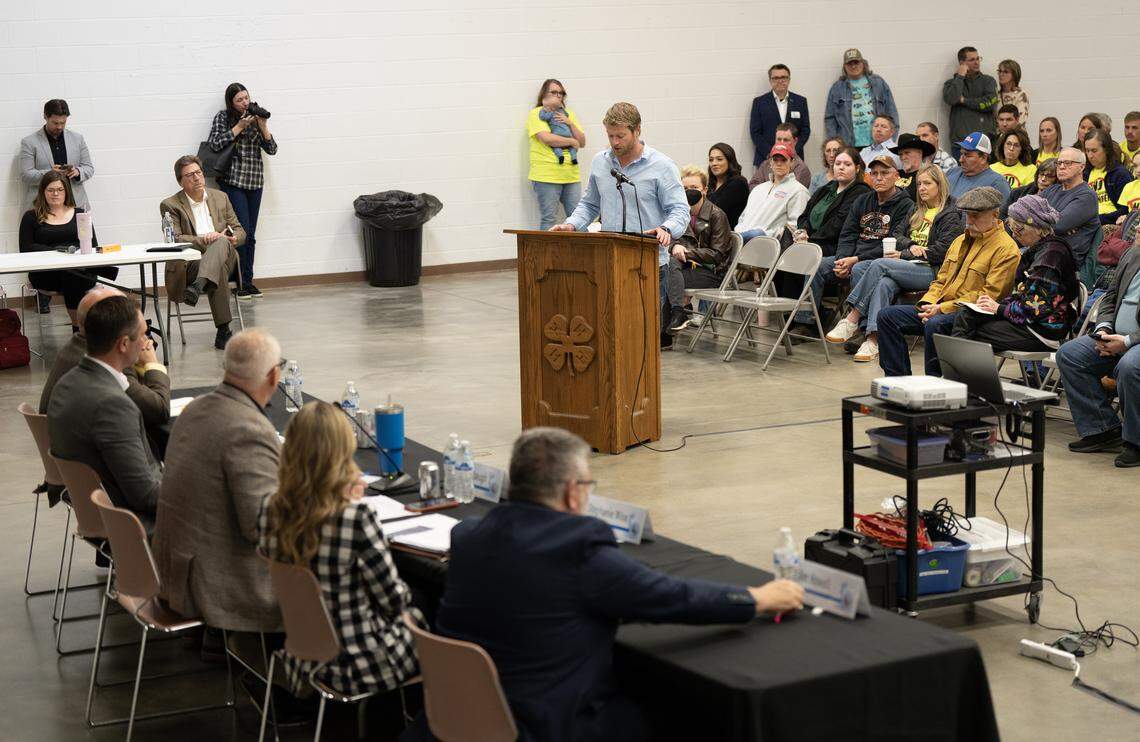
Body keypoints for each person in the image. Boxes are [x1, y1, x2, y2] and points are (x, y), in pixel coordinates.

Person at [433, 427, 804, 742]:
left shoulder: (468, 536)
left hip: (456, 715)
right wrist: (755, 598)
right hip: (549, 724)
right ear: (572, 492)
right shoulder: (579, 553)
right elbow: (673, 598)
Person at [258, 401, 421, 698]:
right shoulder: (355, 518)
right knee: (425, 613)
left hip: (304, 656)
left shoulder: (269, 508)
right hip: (357, 663)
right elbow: (394, 600)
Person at [154, 328, 284, 634]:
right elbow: (263, 525)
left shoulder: (195, 408)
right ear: (274, 376)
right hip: (220, 585)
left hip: (175, 569)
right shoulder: (249, 429)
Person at [554, 102, 689, 348]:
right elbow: (590, 204)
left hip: (647, 263)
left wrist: (667, 229)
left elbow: (680, 210)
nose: (615, 142)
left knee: (641, 336)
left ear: (637, 130)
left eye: (620, 136)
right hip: (608, 260)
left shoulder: (662, 166)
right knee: (608, 332)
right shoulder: (600, 162)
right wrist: (572, 224)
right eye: (610, 135)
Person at [874, 187, 1020, 377]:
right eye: (967, 215)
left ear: (995, 214)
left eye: (975, 215)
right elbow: (940, 280)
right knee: (887, 316)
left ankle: (936, 384)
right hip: (941, 308)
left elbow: (988, 296)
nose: (969, 221)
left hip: (973, 315)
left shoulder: (1007, 249)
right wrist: (928, 303)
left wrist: (942, 308)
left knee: (936, 323)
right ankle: (898, 380)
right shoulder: (959, 240)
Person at [826, 165, 964, 363]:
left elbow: (943, 251)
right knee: (870, 274)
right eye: (919, 184)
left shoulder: (950, 213)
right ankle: (873, 339)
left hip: (933, 271)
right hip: (909, 265)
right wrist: (912, 245)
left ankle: (852, 317)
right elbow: (897, 234)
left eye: (927, 183)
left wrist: (906, 254)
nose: (922, 188)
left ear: (940, 185)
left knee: (880, 265)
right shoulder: (917, 210)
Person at [47, 295, 162, 521]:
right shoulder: (113, 405)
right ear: (124, 344)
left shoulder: (67, 383)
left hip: (96, 510)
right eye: (143, 334)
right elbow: (145, 495)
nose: (147, 342)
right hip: (136, 526)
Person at [39, 288, 170, 456]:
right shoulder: (105, 364)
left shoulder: (73, 348)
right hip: (98, 471)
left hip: (69, 467)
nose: (146, 340)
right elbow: (158, 409)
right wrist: (152, 364)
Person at [794, 153, 912, 330]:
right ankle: (806, 321)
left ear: (896, 176)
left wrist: (855, 260)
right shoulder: (862, 200)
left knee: (858, 269)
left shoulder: (906, 205)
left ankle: (861, 327)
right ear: (869, 176)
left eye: (885, 173)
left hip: (877, 260)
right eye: (875, 173)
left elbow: (894, 241)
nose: (879, 177)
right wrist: (843, 259)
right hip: (851, 257)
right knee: (817, 265)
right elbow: (847, 234)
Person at [952, 195, 1077, 354]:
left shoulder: (1050, 256)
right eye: (1013, 229)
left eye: (1018, 229)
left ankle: (960, 374)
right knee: (966, 314)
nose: (1014, 235)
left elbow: (1034, 309)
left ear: (1036, 228)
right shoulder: (1038, 250)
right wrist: (991, 305)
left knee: (969, 331)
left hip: (1043, 330)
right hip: (1028, 322)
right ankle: (960, 373)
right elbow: (1021, 295)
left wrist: (998, 308)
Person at [1056, 243, 1140, 467]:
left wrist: (1128, 341)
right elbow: (1111, 297)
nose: (1138, 227)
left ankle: (1135, 442)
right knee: (1070, 355)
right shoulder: (1132, 254)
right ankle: (1102, 428)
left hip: (1135, 341)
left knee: (1130, 367)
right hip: (1116, 335)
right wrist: (1103, 329)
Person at [159, 155, 243, 350]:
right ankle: (224, 331)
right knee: (217, 268)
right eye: (189, 175)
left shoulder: (220, 197)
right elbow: (175, 238)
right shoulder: (170, 204)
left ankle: (197, 287)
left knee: (222, 242)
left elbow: (240, 230)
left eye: (198, 173)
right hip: (192, 264)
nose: (196, 178)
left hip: (226, 253)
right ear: (180, 181)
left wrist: (232, 238)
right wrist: (205, 239)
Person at [18, 171, 115, 329]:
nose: (55, 193)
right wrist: (58, 251)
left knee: (74, 275)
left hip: (79, 269)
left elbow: (92, 244)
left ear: (66, 192)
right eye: (50, 190)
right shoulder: (31, 217)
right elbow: (26, 249)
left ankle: (82, 330)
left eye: (60, 189)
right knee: (73, 275)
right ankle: (80, 329)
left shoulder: (80, 214)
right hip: (46, 273)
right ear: (43, 192)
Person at [208, 82, 277, 300]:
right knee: (241, 233)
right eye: (239, 100)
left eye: (246, 98)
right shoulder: (223, 117)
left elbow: (272, 149)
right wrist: (239, 127)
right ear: (231, 103)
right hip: (233, 181)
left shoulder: (256, 117)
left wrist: (263, 126)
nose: (244, 103)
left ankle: (248, 281)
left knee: (252, 235)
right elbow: (215, 143)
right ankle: (239, 283)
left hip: (255, 182)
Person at [665, 166, 734, 333]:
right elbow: (673, 240)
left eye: (694, 188)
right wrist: (676, 246)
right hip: (686, 266)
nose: (689, 192)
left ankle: (672, 320)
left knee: (665, 279)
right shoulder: (681, 214)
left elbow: (716, 255)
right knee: (666, 268)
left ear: (705, 189)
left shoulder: (717, 215)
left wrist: (685, 252)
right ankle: (677, 314)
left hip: (711, 272)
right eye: (685, 189)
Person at [527, 79, 587, 230]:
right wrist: (572, 142)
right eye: (553, 92)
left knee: (578, 219)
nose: (558, 96)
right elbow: (547, 138)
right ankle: (546, 255)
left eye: (561, 93)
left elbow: (582, 141)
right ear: (544, 95)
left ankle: (582, 254)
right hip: (546, 175)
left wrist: (570, 123)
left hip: (571, 175)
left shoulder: (569, 114)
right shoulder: (537, 113)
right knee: (549, 218)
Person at [18, 99, 94, 212]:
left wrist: (77, 172)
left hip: (76, 203)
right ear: (45, 117)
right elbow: (25, 175)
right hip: (42, 206)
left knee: (84, 231)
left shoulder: (78, 139)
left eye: (63, 123)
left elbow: (89, 168)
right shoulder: (29, 142)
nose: (59, 127)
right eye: (55, 123)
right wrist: (49, 173)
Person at [795, 147, 870, 257]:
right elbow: (804, 215)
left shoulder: (860, 191)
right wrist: (804, 232)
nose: (841, 168)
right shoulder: (827, 188)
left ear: (857, 168)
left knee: (798, 255)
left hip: (835, 246)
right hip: (811, 242)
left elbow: (838, 225)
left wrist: (810, 241)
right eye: (838, 163)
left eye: (847, 164)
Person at [824, 48, 899, 149]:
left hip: (878, 143)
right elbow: (830, 119)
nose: (853, 66)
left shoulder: (879, 83)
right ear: (844, 67)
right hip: (848, 145)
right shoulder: (837, 88)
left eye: (856, 62)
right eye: (849, 63)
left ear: (863, 63)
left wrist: (891, 140)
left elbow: (891, 112)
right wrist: (835, 144)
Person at [735, 144, 809, 243]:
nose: (779, 163)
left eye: (783, 160)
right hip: (741, 240)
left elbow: (795, 227)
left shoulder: (798, 190)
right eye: (775, 160)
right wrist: (738, 234)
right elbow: (742, 218)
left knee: (755, 234)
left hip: (767, 244)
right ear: (770, 162)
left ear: (792, 162)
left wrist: (765, 235)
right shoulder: (758, 189)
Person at [1040, 148, 1101, 267]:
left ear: (1081, 167)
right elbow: (1027, 211)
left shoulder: (1087, 196)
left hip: (1065, 260)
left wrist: (1040, 219)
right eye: (1059, 163)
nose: (1062, 167)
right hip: (1042, 250)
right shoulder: (1051, 190)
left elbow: (1058, 225)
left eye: (1068, 163)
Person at [749, 63, 811, 166]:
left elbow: (805, 130)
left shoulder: (800, 101)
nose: (780, 81)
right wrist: (772, 153)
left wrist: (793, 151)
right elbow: (755, 132)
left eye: (783, 77)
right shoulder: (759, 103)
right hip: (767, 159)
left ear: (789, 79)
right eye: (776, 78)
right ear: (770, 81)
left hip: (793, 159)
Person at [943, 47, 999, 160]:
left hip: (985, 143)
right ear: (962, 63)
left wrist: (964, 101)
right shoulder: (952, 83)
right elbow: (951, 98)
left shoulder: (988, 81)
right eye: (972, 59)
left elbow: (990, 103)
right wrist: (960, 76)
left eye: (978, 58)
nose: (977, 62)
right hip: (961, 144)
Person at [1083, 129, 1133, 225]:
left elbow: (1126, 209)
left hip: (1111, 224)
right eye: (1087, 150)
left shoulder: (1120, 174)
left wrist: (1097, 220)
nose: (1090, 155)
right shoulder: (1085, 173)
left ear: (1106, 150)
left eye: (1094, 151)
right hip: (1088, 223)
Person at [946, 132, 1011, 200]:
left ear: (983, 158)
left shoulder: (997, 183)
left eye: (967, 155)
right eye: (961, 154)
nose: (960, 160)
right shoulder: (952, 172)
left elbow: (1003, 210)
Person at [748, 123, 811, 189]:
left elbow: (792, 192)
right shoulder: (766, 163)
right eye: (779, 139)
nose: (782, 143)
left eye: (786, 140)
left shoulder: (801, 169)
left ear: (795, 141)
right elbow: (752, 185)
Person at [705, 143, 750, 229]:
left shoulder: (738, 183)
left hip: (729, 234)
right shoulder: (711, 183)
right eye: (711, 160)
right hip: (710, 231)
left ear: (729, 161)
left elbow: (715, 211)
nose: (714, 163)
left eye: (719, 159)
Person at [894, 133, 935, 201]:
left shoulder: (928, 176)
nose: (903, 157)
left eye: (907, 152)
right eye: (900, 154)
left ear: (920, 153)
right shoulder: (895, 174)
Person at [997, 59, 1029, 125]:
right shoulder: (996, 95)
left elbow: (1020, 120)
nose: (1001, 74)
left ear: (1014, 75)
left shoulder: (1020, 95)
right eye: (1000, 71)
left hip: (1015, 133)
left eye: (1005, 72)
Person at [1116, 151, 1140, 217]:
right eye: (1135, 166)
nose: (1138, 170)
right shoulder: (1129, 187)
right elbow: (1124, 212)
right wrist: (1124, 217)